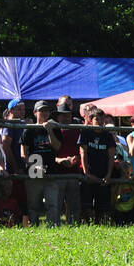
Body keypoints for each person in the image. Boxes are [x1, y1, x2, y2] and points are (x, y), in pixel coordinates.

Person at [21, 101, 63, 227]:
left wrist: (50, 131)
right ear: (35, 113)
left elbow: (57, 147)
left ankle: (53, 228)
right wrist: (34, 165)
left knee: (52, 203)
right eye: (41, 110)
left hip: (51, 171)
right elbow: (23, 154)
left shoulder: (55, 129)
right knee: (33, 204)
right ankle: (33, 227)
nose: (44, 113)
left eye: (46, 110)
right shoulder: (29, 130)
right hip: (34, 172)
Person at [78, 107, 116, 224]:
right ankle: (87, 228)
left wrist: (109, 175)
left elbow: (111, 157)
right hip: (89, 173)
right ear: (90, 120)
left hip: (103, 174)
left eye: (102, 120)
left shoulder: (108, 135)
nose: (100, 122)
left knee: (103, 208)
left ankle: (101, 227)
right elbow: (83, 153)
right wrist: (87, 173)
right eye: (97, 120)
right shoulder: (85, 133)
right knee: (86, 206)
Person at [50, 96, 83, 224]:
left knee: (73, 204)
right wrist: (60, 160)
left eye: (68, 115)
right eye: (63, 115)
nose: (65, 118)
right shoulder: (52, 130)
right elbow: (46, 153)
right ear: (58, 116)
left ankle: (73, 227)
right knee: (55, 204)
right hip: (57, 173)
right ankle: (55, 227)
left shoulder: (78, 128)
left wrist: (77, 158)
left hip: (73, 172)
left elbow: (83, 149)